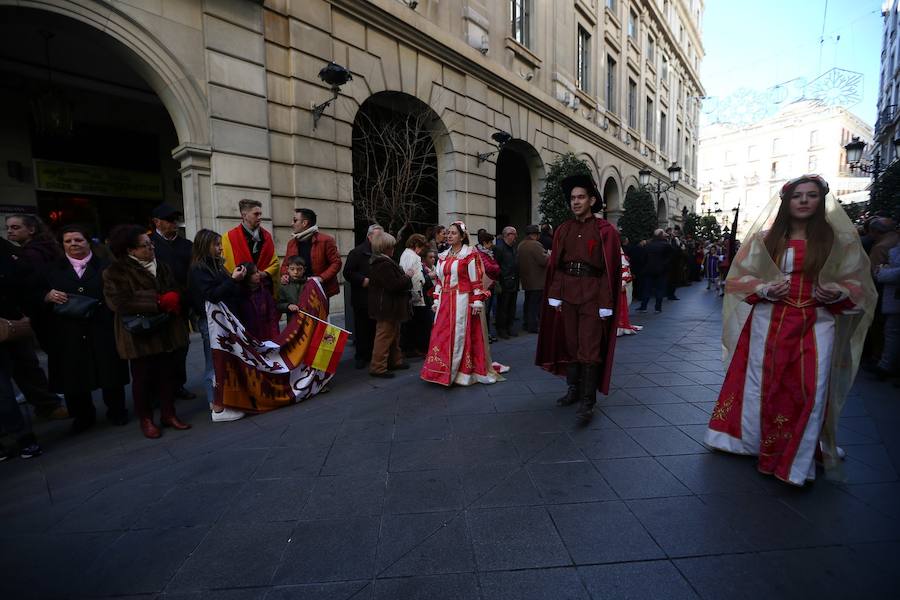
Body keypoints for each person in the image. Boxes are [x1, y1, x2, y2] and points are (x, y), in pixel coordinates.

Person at [705, 175, 876, 485]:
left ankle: (799, 456)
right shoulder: (766, 239)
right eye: (798, 195)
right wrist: (766, 288)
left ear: (821, 200)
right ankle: (756, 442)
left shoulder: (839, 242)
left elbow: (858, 283)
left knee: (812, 386)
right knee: (762, 382)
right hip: (767, 322)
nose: (804, 200)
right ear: (787, 202)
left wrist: (837, 292)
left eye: (811, 195)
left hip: (818, 322)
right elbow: (738, 279)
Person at [535, 174, 621, 424]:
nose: (575, 201)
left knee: (589, 348)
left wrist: (606, 303)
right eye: (572, 198)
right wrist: (555, 294)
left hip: (593, 295)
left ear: (592, 200)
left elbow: (608, 271)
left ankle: (587, 401)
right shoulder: (563, 229)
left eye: (581, 197)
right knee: (571, 344)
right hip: (568, 293)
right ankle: (573, 390)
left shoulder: (606, 231)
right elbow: (557, 266)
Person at [103, 225, 192, 439]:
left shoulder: (162, 265)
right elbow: (118, 301)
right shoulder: (115, 272)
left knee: (167, 375)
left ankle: (169, 414)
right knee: (142, 379)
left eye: (151, 243)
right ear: (130, 250)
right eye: (145, 245)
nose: (151, 247)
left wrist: (176, 297)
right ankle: (146, 419)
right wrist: (157, 301)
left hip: (166, 329)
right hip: (140, 335)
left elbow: (175, 287)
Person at [41, 225, 130, 433]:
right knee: (74, 375)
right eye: (68, 241)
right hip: (68, 332)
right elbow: (35, 294)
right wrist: (46, 296)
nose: (73, 244)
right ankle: (83, 416)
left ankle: (117, 411)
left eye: (78, 240)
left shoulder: (107, 266)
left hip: (103, 328)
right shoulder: (51, 270)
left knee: (109, 372)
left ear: (88, 242)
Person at [421, 221, 502, 386]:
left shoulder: (469, 254)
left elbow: (476, 281)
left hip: (462, 300)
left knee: (460, 335)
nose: (449, 236)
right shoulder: (443, 256)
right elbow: (439, 280)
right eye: (448, 233)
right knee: (440, 335)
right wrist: (436, 299)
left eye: (453, 233)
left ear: (462, 236)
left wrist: (477, 302)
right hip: (445, 302)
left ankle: (460, 373)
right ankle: (438, 371)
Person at [4, 215, 68, 420]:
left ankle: (54, 404)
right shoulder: (37, 249)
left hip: (34, 314)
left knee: (30, 363)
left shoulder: (29, 254)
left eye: (15, 227)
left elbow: (31, 283)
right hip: (43, 313)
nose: (10, 231)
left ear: (31, 229)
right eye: (8, 228)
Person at [187, 229, 246, 422]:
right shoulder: (199, 269)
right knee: (213, 362)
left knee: (223, 360)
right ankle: (216, 407)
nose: (221, 248)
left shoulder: (216, 265)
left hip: (223, 321)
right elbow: (212, 295)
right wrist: (232, 280)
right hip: (211, 322)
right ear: (205, 245)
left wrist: (236, 280)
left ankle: (225, 401)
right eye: (217, 244)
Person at [0, 240, 43, 460]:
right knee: (2, 390)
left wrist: (24, 311)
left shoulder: (6, 252)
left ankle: (24, 434)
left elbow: (22, 277)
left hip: (12, 322)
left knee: (27, 368)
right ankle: (20, 437)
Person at [149, 203, 196, 400]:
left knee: (181, 347)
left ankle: (178, 385)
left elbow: (193, 273)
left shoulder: (186, 245)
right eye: (169, 220)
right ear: (157, 222)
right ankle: (159, 388)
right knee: (160, 350)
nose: (174, 223)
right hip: (157, 306)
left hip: (182, 305)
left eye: (175, 220)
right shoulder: (149, 244)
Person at [367, 232, 412, 378]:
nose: (393, 248)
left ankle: (395, 361)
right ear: (385, 247)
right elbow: (393, 285)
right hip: (386, 306)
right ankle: (378, 367)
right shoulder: (383, 264)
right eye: (391, 246)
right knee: (385, 336)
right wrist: (407, 277)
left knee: (393, 334)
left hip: (389, 305)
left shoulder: (383, 262)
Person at [343, 224, 384, 369]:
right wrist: (362, 280)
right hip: (362, 297)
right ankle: (361, 356)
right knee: (361, 328)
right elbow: (347, 272)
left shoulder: (381, 252)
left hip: (378, 297)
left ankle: (374, 354)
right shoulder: (357, 252)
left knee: (375, 327)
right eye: (378, 236)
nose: (381, 239)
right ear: (369, 237)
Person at [281, 208, 342, 304]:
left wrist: (321, 278)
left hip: (319, 290)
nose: (292, 224)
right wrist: (285, 275)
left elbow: (336, 263)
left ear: (304, 223)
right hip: (297, 291)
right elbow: (286, 264)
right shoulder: (292, 243)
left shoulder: (326, 240)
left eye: (295, 220)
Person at [222, 199, 280, 295]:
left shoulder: (266, 236)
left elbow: (275, 262)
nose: (260, 217)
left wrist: (264, 273)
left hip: (263, 291)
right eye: (256, 214)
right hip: (240, 291)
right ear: (244, 215)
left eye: (260, 214)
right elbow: (226, 267)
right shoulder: (229, 237)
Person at [872, 239, 900, 381]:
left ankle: (886, 366)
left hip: (895, 296)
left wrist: (882, 273)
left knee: (892, 332)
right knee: (891, 331)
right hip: (894, 297)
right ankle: (885, 365)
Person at [399, 234, 430, 358]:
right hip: (416, 295)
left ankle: (409, 348)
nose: (422, 251)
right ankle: (419, 348)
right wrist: (417, 297)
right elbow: (416, 279)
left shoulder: (405, 254)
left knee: (410, 324)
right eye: (421, 247)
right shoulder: (414, 257)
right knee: (421, 324)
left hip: (409, 294)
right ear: (416, 245)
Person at [237, 262, 280, 341]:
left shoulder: (265, 291)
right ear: (246, 276)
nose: (258, 274)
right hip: (248, 337)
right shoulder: (239, 294)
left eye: (257, 271)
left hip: (266, 336)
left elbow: (272, 315)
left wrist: (275, 337)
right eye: (253, 273)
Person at [517, 224, 548, 333]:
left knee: (528, 303)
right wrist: (548, 254)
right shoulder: (536, 245)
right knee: (535, 305)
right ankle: (533, 326)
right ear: (535, 235)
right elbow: (544, 261)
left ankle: (526, 324)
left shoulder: (521, 244)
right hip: (537, 280)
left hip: (526, 280)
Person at [637, 229, 672, 313]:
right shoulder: (666, 245)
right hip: (661, 270)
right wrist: (664, 266)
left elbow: (643, 258)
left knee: (647, 289)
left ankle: (643, 307)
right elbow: (670, 258)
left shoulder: (648, 245)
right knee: (660, 289)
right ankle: (658, 308)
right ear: (661, 235)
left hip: (648, 269)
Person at [475, 231, 501, 343]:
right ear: (484, 243)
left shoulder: (487, 252)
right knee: (484, 312)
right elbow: (489, 267)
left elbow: (494, 265)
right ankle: (484, 335)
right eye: (490, 242)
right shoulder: (480, 253)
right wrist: (496, 267)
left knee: (487, 312)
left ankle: (487, 334)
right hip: (484, 286)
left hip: (490, 284)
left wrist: (495, 267)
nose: (492, 245)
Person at [494, 226, 519, 338]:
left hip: (514, 282)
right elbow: (496, 266)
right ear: (508, 235)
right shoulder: (499, 248)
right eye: (514, 234)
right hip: (504, 283)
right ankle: (501, 329)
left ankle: (510, 326)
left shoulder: (513, 248)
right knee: (503, 307)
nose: (516, 236)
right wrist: (500, 280)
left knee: (512, 307)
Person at [617, 240, 642, 337]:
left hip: (620, 283)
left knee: (622, 305)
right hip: (619, 283)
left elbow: (624, 270)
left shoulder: (620, 255)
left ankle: (619, 326)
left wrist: (623, 282)